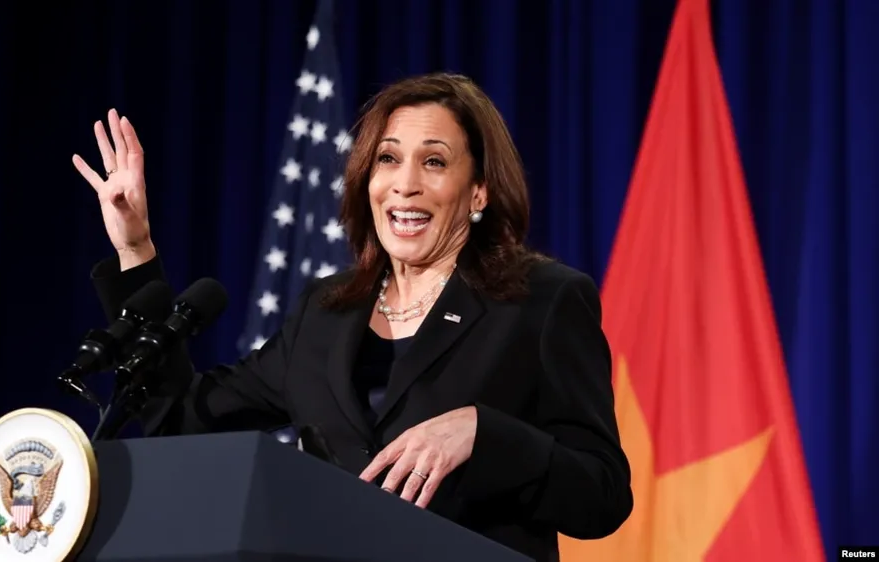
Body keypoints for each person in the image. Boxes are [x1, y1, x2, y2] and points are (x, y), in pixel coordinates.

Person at [72, 72, 632, 561]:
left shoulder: (542, 302)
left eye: (434, 161)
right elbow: (182, 421)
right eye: (388, 158)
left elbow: (603, 495)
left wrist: (485, 434)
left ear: (478, 191)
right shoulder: (325, 312)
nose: (405, 183)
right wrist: (136, 249)